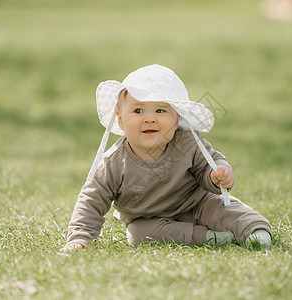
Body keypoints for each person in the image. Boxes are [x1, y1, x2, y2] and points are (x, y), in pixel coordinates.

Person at [61, 64, 272, 252]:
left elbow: (210, 162)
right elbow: (92, 200)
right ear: (121, 120)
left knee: (226, 209)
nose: (150, 118)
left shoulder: (187, 142)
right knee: (138, 234)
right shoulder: (114, 162)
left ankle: (255, 231)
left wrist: (218, 174)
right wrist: (79, 237)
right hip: (149, 219)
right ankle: (211, 238)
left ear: (177, 118)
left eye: (160, 110)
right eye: (138, 110)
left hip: (196, 203)